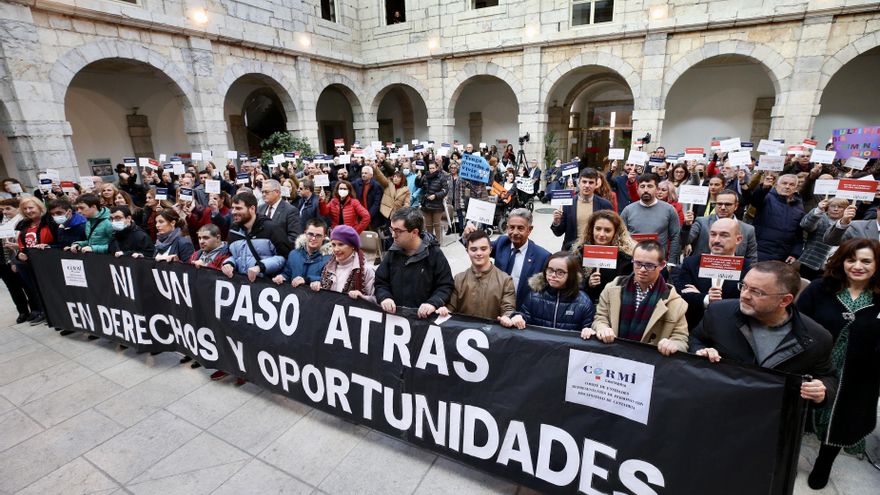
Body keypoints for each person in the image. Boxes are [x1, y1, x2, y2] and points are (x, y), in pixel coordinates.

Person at [690, 260, 837, 419]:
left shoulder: (816, 337)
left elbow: (828, 377)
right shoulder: (719, 312)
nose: (744, 295)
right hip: (716, 410)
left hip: (769, 423)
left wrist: (822, 391)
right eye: (744, 286)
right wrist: (700, 352)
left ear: (785, 300)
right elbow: (695, 339)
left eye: (756, 292)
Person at [796, 239, 880, 489]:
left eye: (866, 261)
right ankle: (790, 454)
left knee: (843, 418)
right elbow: (798, 321)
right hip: (816, 366)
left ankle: (824, 462)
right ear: (841, 261)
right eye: (851, 259)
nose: (857, 266)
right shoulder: (821, 288)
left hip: (860, 374)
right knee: (803, 413)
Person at [580, 240, 688, 355]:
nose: (642, 269)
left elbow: (681, 339)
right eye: (637, 263)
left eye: (649, 265)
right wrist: (602, 328)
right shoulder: (613, 287)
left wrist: (673, 344)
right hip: (614, 357)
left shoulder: (675, 303)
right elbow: (600, 317)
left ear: (662, 265)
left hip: (649, 363)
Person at [461, 208, 551, 309]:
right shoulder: (502, 243)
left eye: (520, 228)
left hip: (523, 311)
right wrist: (467, 235)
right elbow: (479, 248)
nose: (515, 232)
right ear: (507, 227)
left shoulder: (542, 256)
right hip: (495, 306)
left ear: (529, 230)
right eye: (512, 227)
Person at [672, 218, 751, 329]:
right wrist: (706, 299)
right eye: (713, 234)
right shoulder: (691, 263)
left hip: (731, 330)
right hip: (694, 328)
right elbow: (683, 296)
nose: (716, 240)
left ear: (738, 239)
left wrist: (700, 296)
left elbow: (747, 303)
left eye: (724, 235)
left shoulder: (749, 269)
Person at [375, 207, 454, 318]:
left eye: (398, 231)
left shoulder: (434, 254)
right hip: (396, 321)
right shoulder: (392, 253)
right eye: (392, 229)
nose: (393, 235)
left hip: (423, 322)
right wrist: (384, 297)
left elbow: (445, 286)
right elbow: (380, 282)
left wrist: (433, 303)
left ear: (415, 232)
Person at [437, 229, 517, 322]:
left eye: (483, 249)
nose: (479, 253)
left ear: (490, 249)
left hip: (492, 334)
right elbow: (451, 307)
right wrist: (445, 310)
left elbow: (508, 309)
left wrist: (507, 317)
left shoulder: (505, 280)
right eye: (473, 249)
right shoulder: (459, 279)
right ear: (467, 251)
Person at [514, 252, 595, 332]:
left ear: (571, 275)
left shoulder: (584, 302)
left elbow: (588, 327)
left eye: (560, 272)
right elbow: (524, 318)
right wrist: (518, 317)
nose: (553, 275)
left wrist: (588, 330)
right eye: (550, 270)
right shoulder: (534, 296)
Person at [221, 191, 291, 281]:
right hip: (242, 285)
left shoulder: (272, 228)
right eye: (233, 208)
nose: (234, 212)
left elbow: (284, 257)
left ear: (252, 209)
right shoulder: (233, 230)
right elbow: (233, 255)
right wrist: (229, 263)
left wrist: (260, 267)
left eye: (238, 208)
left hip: (266, 285)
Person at [574, 210, 636, 304]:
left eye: (607, 230)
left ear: (616, 232)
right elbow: (572, 284)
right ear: (591, 229)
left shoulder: (625, 259)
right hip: (584, 306)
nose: (601, 234)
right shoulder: (579, 253)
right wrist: (588, 283)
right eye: (598, 229)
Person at [683, 189, 758, 266]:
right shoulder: (702, 222)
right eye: (719, 204)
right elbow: (685, 241)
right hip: (703, 270)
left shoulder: (748, 230)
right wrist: (686, 226)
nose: (722, 207)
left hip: (733, 273)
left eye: (727, 204)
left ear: (736, 206)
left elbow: (752, 258)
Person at [13, 197, 56, 325]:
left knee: (50, 288)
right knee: (36, 289)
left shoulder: (49, 221)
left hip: (48, 261)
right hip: (29, 262)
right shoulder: (23, 224)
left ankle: (55, 313)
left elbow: (56, 240)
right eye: (25, 209)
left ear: (39, 207)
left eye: (31, 207)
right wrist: (20, 253)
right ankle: (44, 312)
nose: (28, 211)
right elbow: (22, 243)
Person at [620, 173, 682, 262]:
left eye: (650, 186)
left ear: (656, 189)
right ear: (637, 189)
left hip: (659, 262)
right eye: (642, 186)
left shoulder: (669, 210)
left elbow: (675, 237)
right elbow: (621, 237)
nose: (645, 190)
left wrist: (671, 262)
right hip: (633, 261)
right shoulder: (628, 210)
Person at [550, 167, 614, 251]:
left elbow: (611, 230)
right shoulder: (568, 204)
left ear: (596, 185)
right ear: (578, 183)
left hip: (595, 251)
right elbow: (558, 233)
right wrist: (556, 222)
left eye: (591, 183)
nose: (587, 185)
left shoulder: (605, 205)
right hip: (571, 251)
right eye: (584, 182)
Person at [310, 224, 376, 302]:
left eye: (341, 244)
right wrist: (317, 286)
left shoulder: (367, 270)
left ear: (353, 246)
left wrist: (362, 297)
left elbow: (376, 300)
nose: (336, 249)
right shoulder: (328, 267)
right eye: (333, 245)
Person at [749, 173, 805, 262]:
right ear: (776, 185)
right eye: (784, 183)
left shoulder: (799, 206)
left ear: (796, 188)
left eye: (791, 184)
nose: (787, 187)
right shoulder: (767, 197)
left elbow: (798, 234)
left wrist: (795, 253)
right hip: (760, 252)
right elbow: (755, 200)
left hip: (783, 256)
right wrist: (764, 188)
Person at [799, 197, 850, 280]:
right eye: (832, 206)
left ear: (845, 210)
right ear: (827, 207)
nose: (836, 209)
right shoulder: (820, 218)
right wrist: (818, 210)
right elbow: (805, 225)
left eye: (840, 207)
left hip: (832, 269)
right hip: (810, 264)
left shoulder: (849, 224)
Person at [0, 198, 33, 323]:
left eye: (7, 209)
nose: (4, 212)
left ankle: (34, 309)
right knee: (12, 287)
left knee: (25, 284)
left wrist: (13, 261)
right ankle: (22, 311)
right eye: (2, 209)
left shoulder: (21, 221)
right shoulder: (2, 221)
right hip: (2, 260)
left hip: (15, 258)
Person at [273, 218, 331, 287]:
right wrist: (282, 277)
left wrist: (309, 280)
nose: (313, 238)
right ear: (305, 233)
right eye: (310, 234)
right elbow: (287, 273)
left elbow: (329, 281)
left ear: (324, 237)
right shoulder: (293, 254)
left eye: (318, 235)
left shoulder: (330, 259)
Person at [257, 179, 302, 244]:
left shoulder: (290, 211)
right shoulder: (260, 208)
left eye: (266, 192)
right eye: (262, 192)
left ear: (277, 192)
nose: (263, 195)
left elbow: (294, 237)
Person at [416, 160, 448, 243]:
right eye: (430, 168)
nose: (431, 170)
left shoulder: (441, 176)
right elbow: (419, 185)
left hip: (437, 205)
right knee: (428, 226)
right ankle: (430, 243)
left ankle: (438, 243)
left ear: (436, 168)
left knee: (437, 225)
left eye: (433, 168)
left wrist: (436, 195)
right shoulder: (425, 176)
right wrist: (418, 177)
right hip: (426, 204)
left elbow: (445, 190)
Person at [352, 166, 383, 230]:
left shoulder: (376, 186)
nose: (363, 175)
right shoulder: (356, 183)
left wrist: (368, 216)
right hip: (359, 215)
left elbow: (376, 203)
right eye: (362, 173)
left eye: (366, 173)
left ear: (371, 175)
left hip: (372, 216)